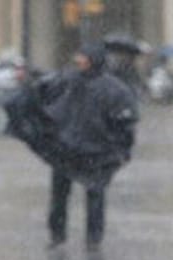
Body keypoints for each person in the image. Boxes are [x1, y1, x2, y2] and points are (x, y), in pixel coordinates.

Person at [41, 42, 138, 248]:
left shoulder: (112, 89)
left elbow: (125, 123)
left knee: (95, 196)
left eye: (83, 58)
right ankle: (57, 235)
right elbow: (48, 103)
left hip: (96, 152)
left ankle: (93, 238)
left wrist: (122, 149)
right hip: (65, 149)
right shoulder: (68, 81)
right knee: (59, 196)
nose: (78, 62)